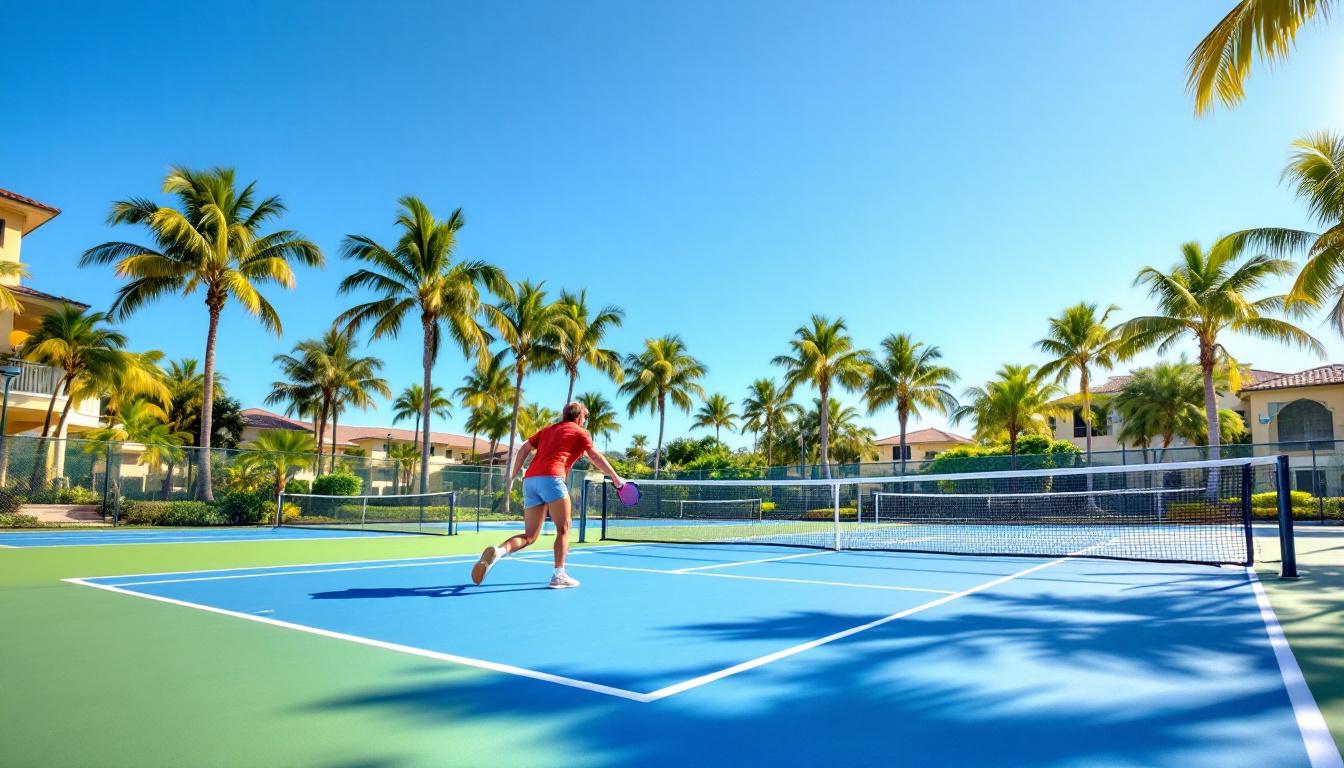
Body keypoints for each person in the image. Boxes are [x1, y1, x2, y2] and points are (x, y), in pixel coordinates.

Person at [471, 401, 625, 589]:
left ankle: (499, 551)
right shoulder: (580, 432)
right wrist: (616, 479)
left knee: (529, 536)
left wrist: (513, 475)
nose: (585, 421)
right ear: (579, 417)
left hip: (531, 481)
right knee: (563, 528)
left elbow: (524, 449)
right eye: (585, 417)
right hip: (552, 479)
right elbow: (595, 456)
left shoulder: (547, 430)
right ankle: (559, 575)